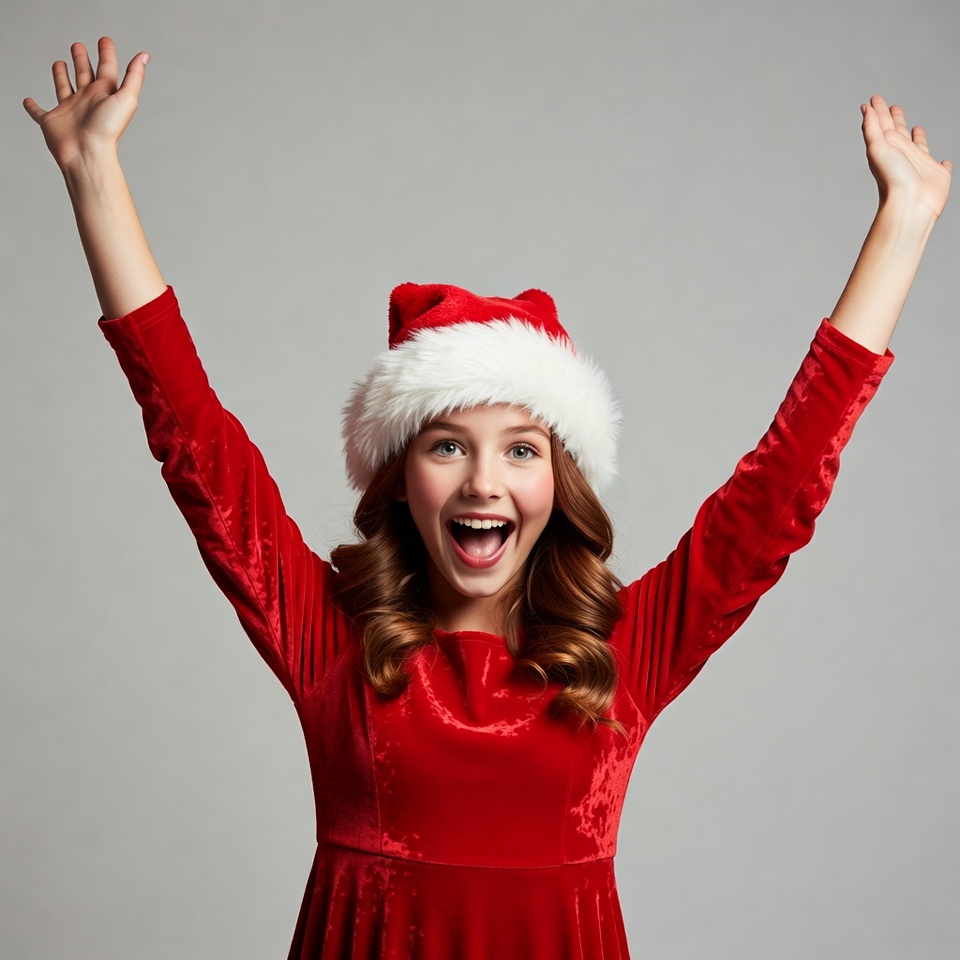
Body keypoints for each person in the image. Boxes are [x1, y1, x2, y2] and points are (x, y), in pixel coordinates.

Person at [25, 36, 951, 960]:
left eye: (520, 449)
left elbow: (778, 492)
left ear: (560, 482)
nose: (483, 481)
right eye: (446, 445)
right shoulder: (328, 642)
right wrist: (93, 171)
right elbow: (193, 439)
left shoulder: (623, 652)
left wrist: (903, 224)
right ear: (399, 474)